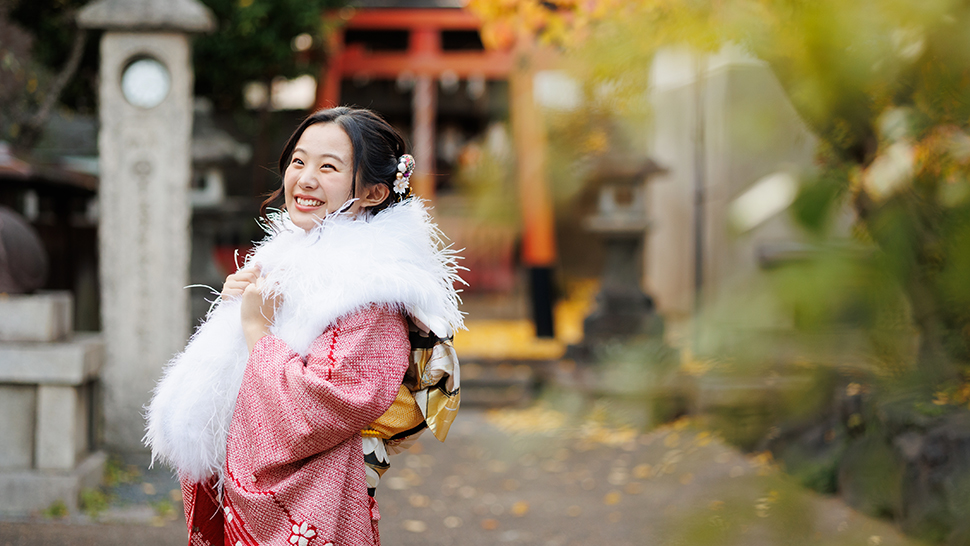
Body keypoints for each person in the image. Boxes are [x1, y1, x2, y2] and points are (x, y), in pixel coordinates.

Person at [145, 107, 464, 546]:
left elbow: (322, 407)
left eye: (328, 167)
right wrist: (238, 308)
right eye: (298, 161)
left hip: (317, 494)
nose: (305, 179)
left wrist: (258, 332)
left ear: (373, 192)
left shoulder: (370, 289)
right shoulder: (286, 262)